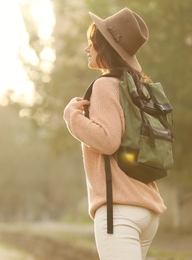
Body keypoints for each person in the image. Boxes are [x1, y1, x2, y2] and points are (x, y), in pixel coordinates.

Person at [63, 7, 166, 260]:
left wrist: (71, 117)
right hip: (146, 208)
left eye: (91, 43)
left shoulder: (105, 85)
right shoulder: (138, 88)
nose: (87, 48)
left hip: (119, 211)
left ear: (105, 47)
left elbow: (107, 141)